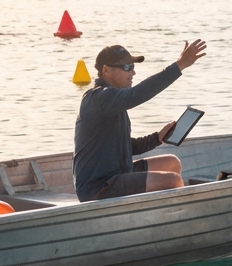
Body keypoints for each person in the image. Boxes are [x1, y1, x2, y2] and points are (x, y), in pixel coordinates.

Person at [73, 39, 207, 202]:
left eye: (133, 66)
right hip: (98, 186)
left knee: (172, 163)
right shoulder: (99, 98)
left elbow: (125, 146)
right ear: (106, 70)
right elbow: (138, 93)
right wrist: (180, 64)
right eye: (126, 67)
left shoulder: (112, 101)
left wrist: (157, 138)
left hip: (118, 173)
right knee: (173, 181)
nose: (133, 72)